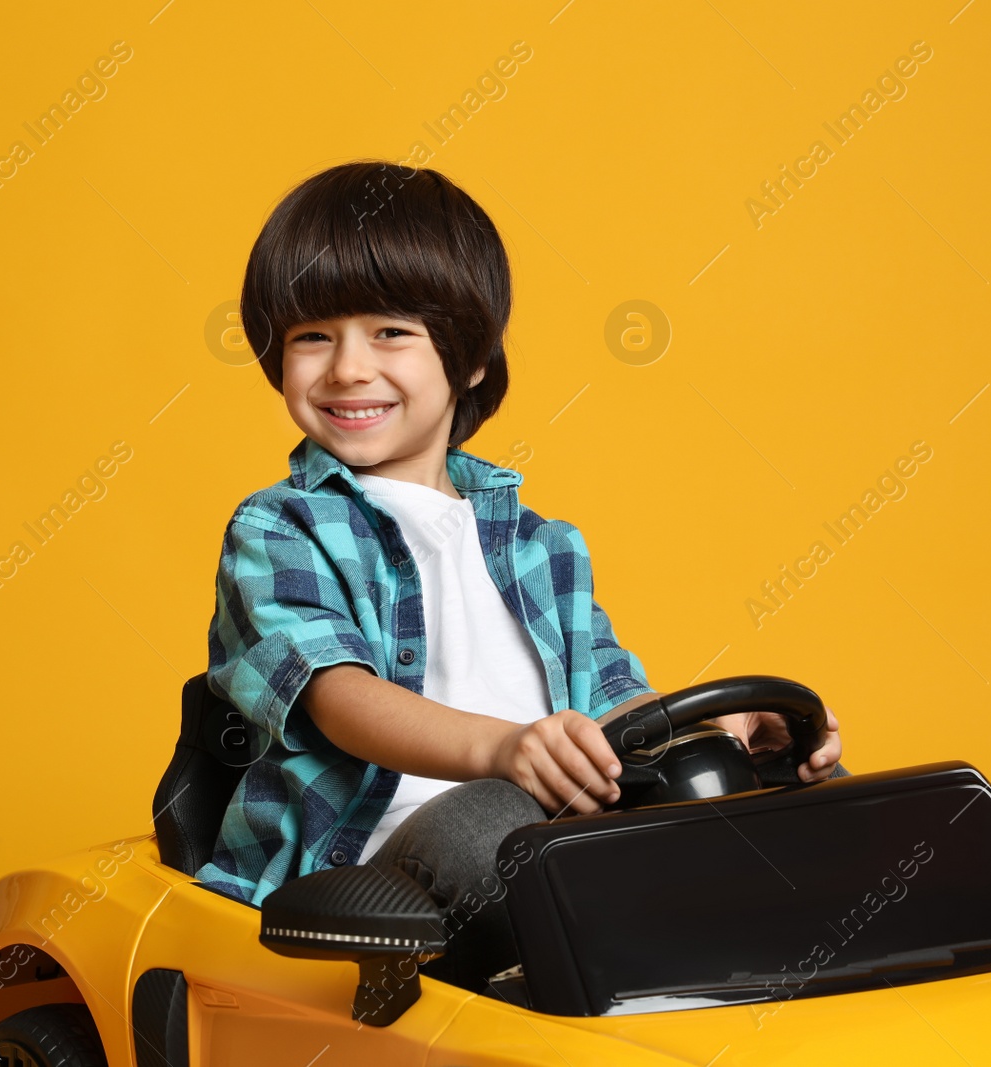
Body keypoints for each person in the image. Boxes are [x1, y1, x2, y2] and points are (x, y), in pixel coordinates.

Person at [192, 160, 844, 991]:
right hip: (375, 866)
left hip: (557, 842)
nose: (347, 368)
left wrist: (734, 733)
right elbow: (338, 695)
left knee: (744, 792)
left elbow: (616, 711)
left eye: (390, 332)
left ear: (467, 360)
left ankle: (770, 969)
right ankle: (570, 990)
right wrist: (501, 749)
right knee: (495, 829)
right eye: (312, 336)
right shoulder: (280, 527)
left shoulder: (543, 545)